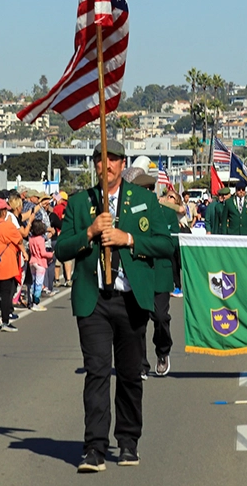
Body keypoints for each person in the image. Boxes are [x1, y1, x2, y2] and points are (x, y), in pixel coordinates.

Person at [55, 140, 173, 472]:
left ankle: (128, 441)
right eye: (100, 160)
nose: (106, 165)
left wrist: (129, 239)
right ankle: (94, 447)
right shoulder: (80, 203)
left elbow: (165, 245)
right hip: (94, 300)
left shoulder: (145, 200)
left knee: (130, 374)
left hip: (130, 298)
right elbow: (61, 248)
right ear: (94, 164)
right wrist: (89, 233)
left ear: (123, 165)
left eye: (113, 160)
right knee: (96, 372)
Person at [131, 173, 176, 379]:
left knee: (160, 317)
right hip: (139, 272)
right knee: (138, 323)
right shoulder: (131, 214)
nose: (148, 193)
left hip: (160, 273)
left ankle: (163, 352)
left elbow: (172, 245)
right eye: (144, 190)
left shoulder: (166, 213)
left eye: (151, 189)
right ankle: (140, 363)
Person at [0, 198, 26, 332]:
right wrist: (24, 253)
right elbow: (19, 240)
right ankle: (5, 321)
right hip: (6, 263)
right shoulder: (8, 226)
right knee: (6, 293)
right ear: (3, 212)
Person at [28, 220, 53, 311]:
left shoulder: (31, 238)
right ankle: (36, 302)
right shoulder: (41, 239)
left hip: (32, 261)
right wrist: (51, 254)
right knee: (38, 284)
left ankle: (30, 301)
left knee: (32, 283)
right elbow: (43, 253)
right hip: (40, 263)